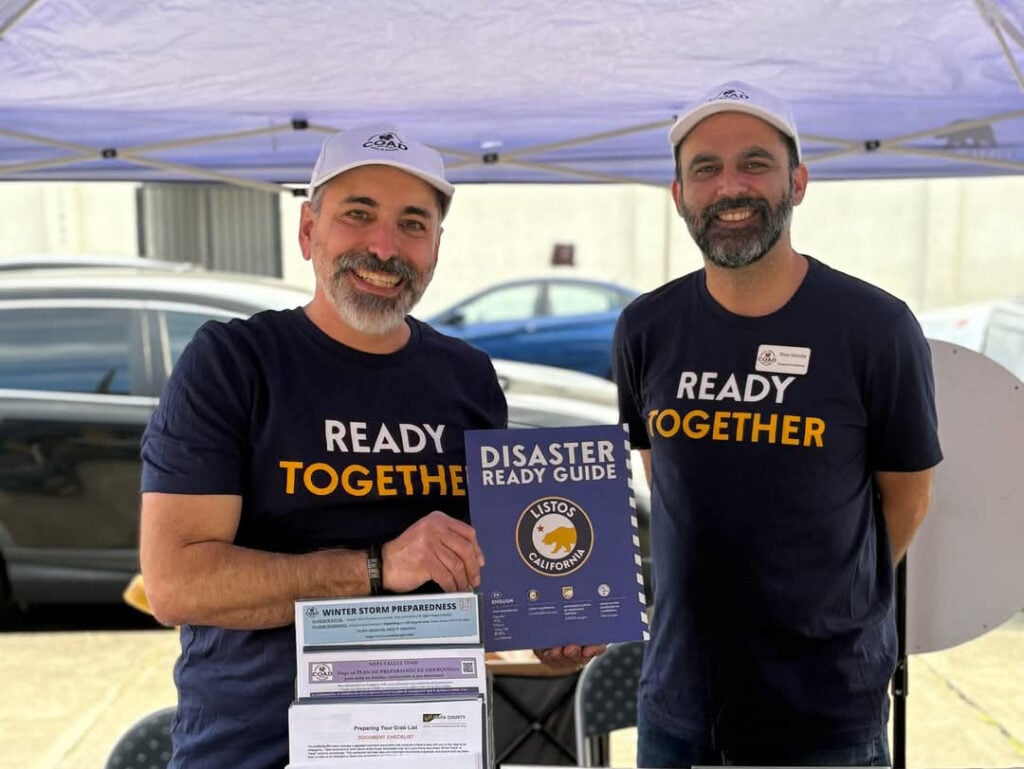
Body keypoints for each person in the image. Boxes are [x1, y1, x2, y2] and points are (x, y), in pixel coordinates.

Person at [139, 126, 515, 769]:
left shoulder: (468, 376)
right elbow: (176, 583)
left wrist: (552, 617)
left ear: (436, 247)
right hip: (254, 751)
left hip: (424, 745)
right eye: (358, 215)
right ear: (309, 230)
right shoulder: (234, 362)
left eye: (413, 224)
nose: (384, 247)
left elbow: (485, 566)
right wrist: (377, 567)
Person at [613, 81, 943, 767]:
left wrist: (824, 601)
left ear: (798, 182)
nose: (730, 186)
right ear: (678, 194)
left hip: (824, 715)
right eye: (706, 168)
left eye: (755, 163)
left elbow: (907, 499)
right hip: (677, 706)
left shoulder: (876, 328)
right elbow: (667, 478)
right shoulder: (646, 328)